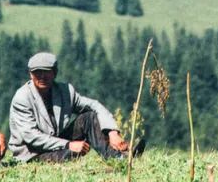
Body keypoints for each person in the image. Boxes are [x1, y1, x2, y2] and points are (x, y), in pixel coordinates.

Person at [8, 51, 138, 162]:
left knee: (89, 117)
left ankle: (116, 157)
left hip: (56, 143)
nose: (42, 76)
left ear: (54, 73)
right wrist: (68, 144)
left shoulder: (65, 91)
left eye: (46, 71)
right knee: (70, 153)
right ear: (31, 74)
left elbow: (94, 106)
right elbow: (31, 136)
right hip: (32, 153)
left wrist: (112, 132)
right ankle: (117, 157)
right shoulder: (22, 98)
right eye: (37, 72)